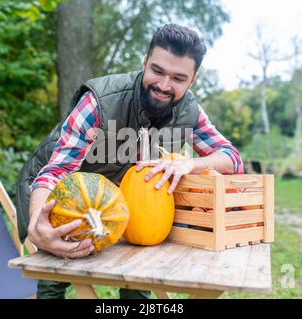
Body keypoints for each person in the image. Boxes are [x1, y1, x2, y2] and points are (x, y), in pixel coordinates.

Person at [16, 24, 244, 299]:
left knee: (142, 261)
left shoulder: (190, 111)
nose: (163, 85)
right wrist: (37, 225)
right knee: (58, 264)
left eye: (178, 78)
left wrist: (190, 164)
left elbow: (231, 158)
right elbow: (55, 172)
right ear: (144, 62)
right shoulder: (99, 101)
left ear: (192, 80)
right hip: (55, 189)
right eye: (157, 71)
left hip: (122, 193)